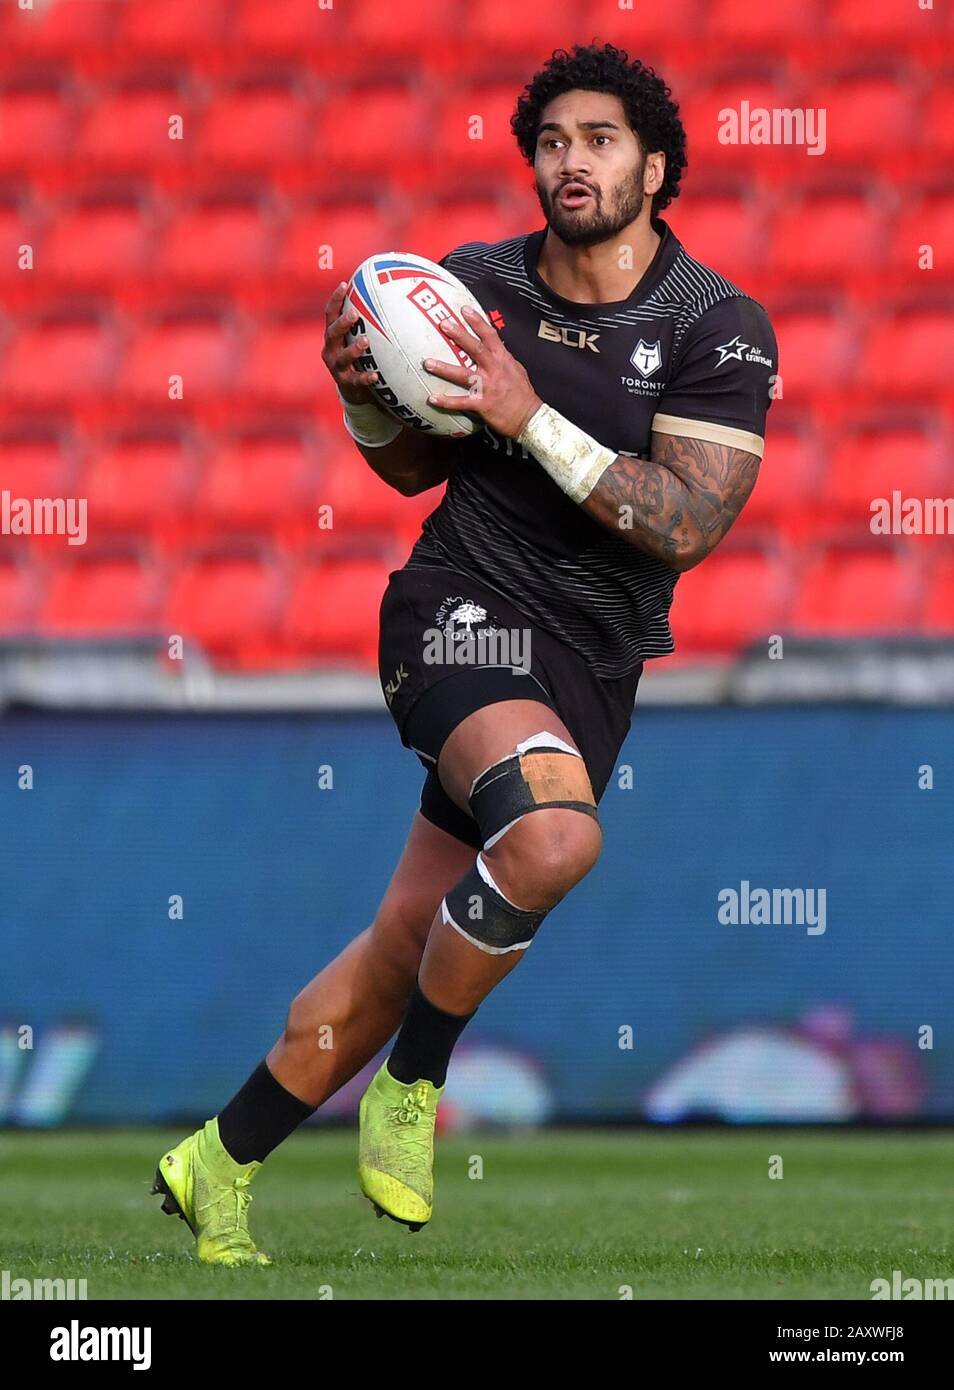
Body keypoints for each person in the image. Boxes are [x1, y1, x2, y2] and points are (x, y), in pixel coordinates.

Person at [152, 41, 777, 1265]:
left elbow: (689, 526)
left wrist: (524, 412)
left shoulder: (717, 324)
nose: (570, 161)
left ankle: (215, 1160)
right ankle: (413, 1086)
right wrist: (366, 400)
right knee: (552, 839)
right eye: (550, 143)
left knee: (405, 942)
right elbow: (412, 468)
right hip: (460, 610)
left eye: (598, 140)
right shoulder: (473, 283)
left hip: (595, 659)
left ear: (656, 163)